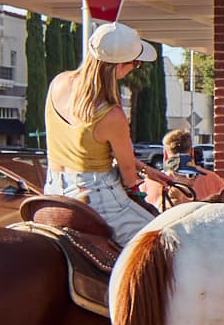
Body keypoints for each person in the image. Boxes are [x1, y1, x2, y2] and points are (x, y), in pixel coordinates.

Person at [41, 21, 157, 248]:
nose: (135, 68)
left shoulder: (58, 83)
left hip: (54, 189)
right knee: (159, 241)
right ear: (119, 67)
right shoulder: (111, 114)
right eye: (135, 63)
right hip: (97, 197)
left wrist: (145, 168)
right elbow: (127, 174)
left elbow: (83, 148)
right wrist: (135, 187)